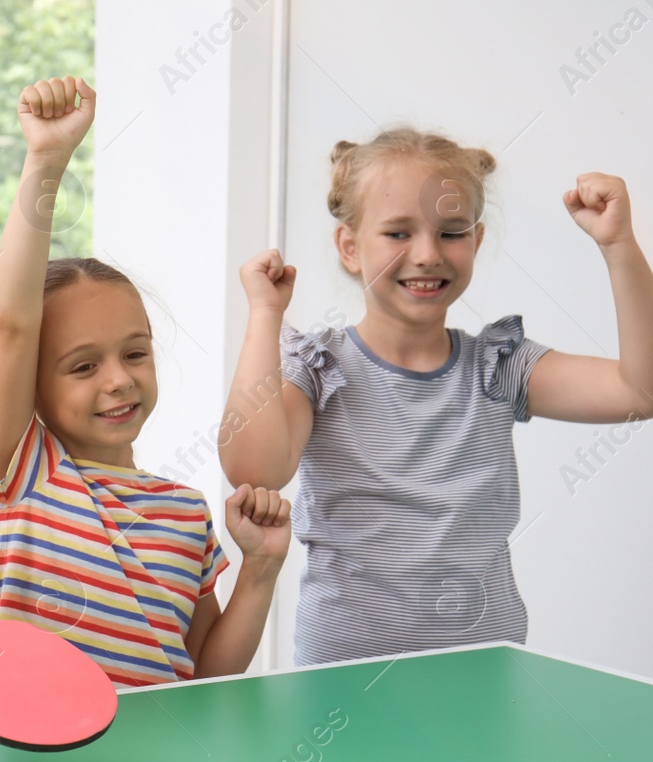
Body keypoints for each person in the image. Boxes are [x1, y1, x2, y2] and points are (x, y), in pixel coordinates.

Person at [220, 127, 653, 664]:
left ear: (475, 241)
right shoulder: (319, 367)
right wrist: (265, 315)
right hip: (343, 685)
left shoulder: (500, 365)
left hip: (480, 676)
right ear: (350, 248)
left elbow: (640, 390)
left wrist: (618, 246)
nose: (426, 253)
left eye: (451, 233)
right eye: (398, 233)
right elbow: (254, 467)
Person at [0, 77, 291, 687]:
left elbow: (205, 672)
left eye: (135, 354)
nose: (119, 380)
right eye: (83, 366)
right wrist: (47, 159)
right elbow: (13, 324)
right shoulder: (24, 474)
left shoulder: (187, 513)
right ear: (34, 386)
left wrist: (258, 570)